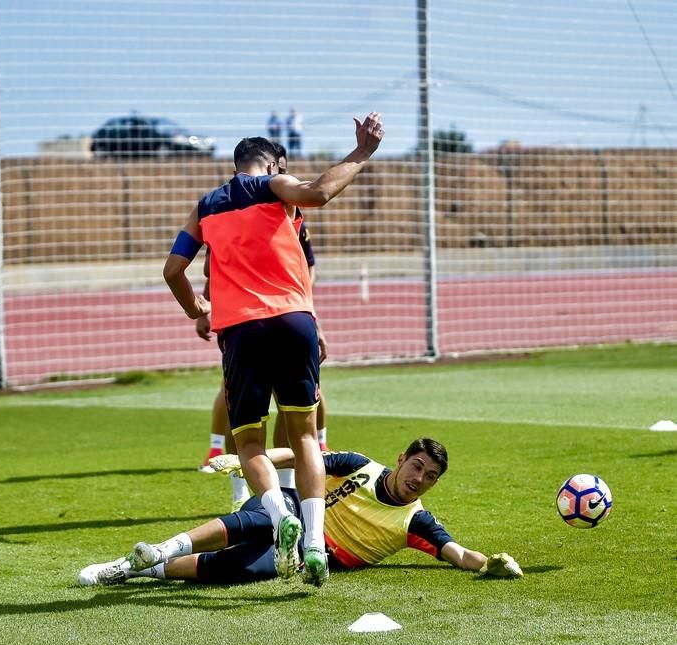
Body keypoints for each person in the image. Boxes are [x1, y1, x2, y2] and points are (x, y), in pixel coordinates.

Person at [162, 112, 384, 586]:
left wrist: (195, 309)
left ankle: (277, 513)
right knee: (305, 437)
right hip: (293, 322)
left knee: (251, 444)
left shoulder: (205, 208)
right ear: (269, 164)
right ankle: (315, 544)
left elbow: (172, 270)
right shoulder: (275, 186)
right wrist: (363, 152)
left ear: (235, 165)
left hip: (241, 331)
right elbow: (319, 192)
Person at [78, 437, 523, 587]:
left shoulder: (415, 522)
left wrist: (491, 563)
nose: (418, 479)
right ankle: (160, 549)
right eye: (417, 467)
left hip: (323, 555)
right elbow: (300, 456)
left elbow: (457, 554)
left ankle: (135, 570)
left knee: (239, 569)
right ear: (401, 458)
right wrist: (248, 460)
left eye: (429, 477)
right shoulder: (359, 466)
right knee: (258, 520)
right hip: (297, 511)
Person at [196, 144, 332, 508]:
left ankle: (284, 488)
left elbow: (304, 268)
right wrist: (207, 306)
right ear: (271, 167)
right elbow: (215, 265)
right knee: (240, 407)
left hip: (282, 317)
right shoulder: (236, 207)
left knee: (294, 411)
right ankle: (241, 490)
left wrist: (312, 317)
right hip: (248, 319)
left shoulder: (291, 213)